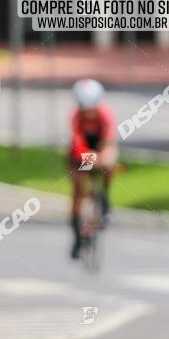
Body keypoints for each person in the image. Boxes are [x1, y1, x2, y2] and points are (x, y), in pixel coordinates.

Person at [69, 78, 118, 259]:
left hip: (100, 145)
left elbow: (109, 140)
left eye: (92, 108)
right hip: (81, 150)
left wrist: (104, 157)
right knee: (78, 187)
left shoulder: (105, 114)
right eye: (85, 108)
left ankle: (104, 199)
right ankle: (77, 237)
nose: (89, 113)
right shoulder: (76, 117)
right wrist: (88, 159)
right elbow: (77, 143)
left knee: (109, 163)